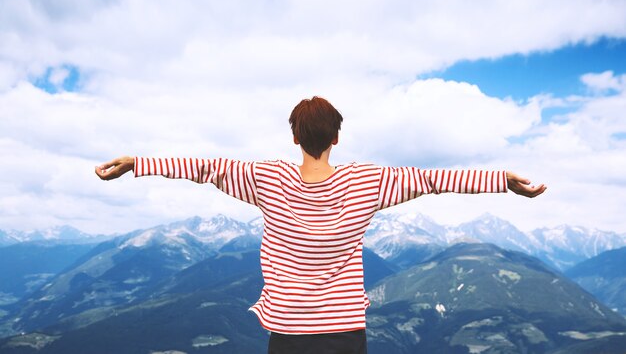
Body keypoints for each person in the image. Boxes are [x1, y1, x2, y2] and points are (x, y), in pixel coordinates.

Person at [95, 96, 546, 354]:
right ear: (336, 137)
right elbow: (433, 180)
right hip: (346, 336)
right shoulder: (368, 183)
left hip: (288, 335)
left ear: (294, 137)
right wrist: (502, 181)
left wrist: (139, 163)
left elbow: (207, 168)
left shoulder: (267, 178)